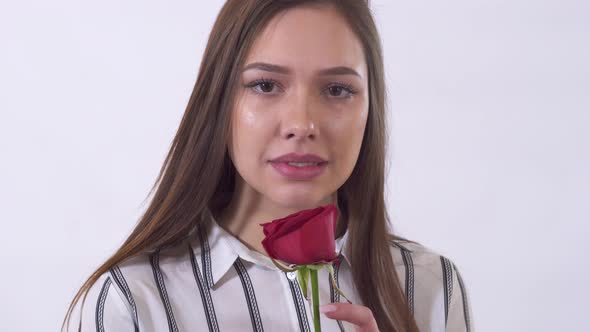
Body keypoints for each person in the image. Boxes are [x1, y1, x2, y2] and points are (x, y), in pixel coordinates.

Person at [63, 0, 473, 331]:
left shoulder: (432, 287)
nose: (301, 124)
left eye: (337, 89)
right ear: (220, 103)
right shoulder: (131, 302)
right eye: (265, 85)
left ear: (370, 110)